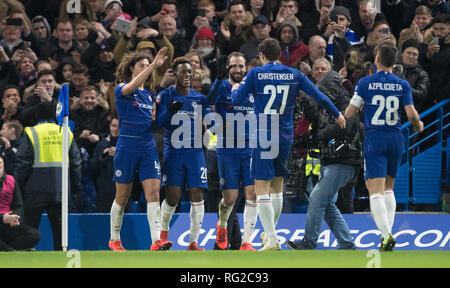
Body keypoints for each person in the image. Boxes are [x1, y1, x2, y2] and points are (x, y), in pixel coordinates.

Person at [231, 38, 346, 250]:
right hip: (285, 137)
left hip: (264, 134)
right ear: (280, 55)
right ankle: (270, 235)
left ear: (262, 55)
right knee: (277, 187)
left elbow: (237, 101)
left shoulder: (256, 73)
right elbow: (318, 96)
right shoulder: (294, 74)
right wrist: (337, 114)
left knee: (261, 189)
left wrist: (236, 89)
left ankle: (272, 238)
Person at [344, 41, 423, 251]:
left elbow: (351, 111)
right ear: (395, 61)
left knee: (374, 190)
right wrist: (419, 125)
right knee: (389, 187)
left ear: (377, 60)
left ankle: (386, 234)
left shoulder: (365, 82)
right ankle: (388, 234)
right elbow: (411, 114)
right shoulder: (403, 84)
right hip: (396, 137)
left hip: (375, 137)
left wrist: (341, 117)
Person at [286, 68, 362, 250]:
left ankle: (309, 241)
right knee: (326, 203)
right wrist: (304, 100)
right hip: (330, 160)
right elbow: (316, 122)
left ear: (334, 89)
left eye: (325, 92)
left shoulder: (348, 105)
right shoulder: (328, 106)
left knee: (316, 198)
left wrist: (319, 136)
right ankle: (346, 242)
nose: (322, 97)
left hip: (345, 160)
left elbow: (344, 127)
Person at [109, 48, 172, 251]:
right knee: (122, 196)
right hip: (127, 147)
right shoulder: (121, 88)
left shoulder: (149, 95)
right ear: (131, 69)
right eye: (142, 66)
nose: (147, 68)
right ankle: (114, 239)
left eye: (148, 66)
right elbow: (132, 85)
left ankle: (156, 241)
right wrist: (154, 65)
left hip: (148, 147)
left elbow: (153, 123)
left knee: (153, 194)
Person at [156, 57, 212, 251]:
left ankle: (193, 242)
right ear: (174, 74)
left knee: (197, 193)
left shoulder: (199, 98)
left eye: (190, 72)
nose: (187, 75)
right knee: (173, 197)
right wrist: (169, 112)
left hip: (195, 152)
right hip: (174, 153)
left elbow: (210, 120)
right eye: (183, 72)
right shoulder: (165, 95)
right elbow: (159, 123)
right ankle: (162, 237)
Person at [14, 101, 82, 251]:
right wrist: (76, 186)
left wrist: (17, 187)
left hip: (34, 188)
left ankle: (23, 259)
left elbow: (22, 163)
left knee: (28, 231)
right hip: (60, 188)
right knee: (60, 233)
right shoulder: (66, 132)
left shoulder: (32, 132)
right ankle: (61, 260)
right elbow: (76, 162)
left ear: (37, 114)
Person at [207, 52, 257, 251]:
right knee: (230, 199)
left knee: (252, 194)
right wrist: (218, 79)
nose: (237, 70)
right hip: (227, 150)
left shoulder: (251, 88)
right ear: (228, 67)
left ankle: (246, 242)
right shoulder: (222, 87)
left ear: (246, 68)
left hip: (249, 148)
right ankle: (222, 226)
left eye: (241, 66)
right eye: (233, 66)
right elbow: (208, 100)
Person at [0, 156, 40, 251]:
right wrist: (2, 218)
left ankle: (9, 249)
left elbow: (18, 205)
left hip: (7, 225)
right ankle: (10, 250)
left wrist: (15, 217)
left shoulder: (11, 180)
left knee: (34, 235)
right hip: (3, 219)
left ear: (3, 168)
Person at [91, 116, 119, 213]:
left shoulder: (128, 146)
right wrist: (103, 156)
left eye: (119, 127)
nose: (116, 129)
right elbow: (93, 166)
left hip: (122, 191)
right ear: (109, 126)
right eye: (113, 126)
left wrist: (120, 155)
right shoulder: (102, 144)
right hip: (104, 191)